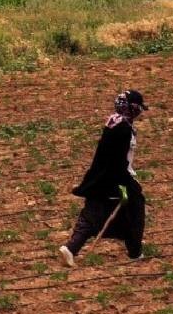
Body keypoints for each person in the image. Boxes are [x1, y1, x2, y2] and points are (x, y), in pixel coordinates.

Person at [59, 89, 147, 267]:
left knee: (93, 213)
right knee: (135, 211)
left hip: (99, 178)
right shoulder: (123, 129)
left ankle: (71, 248)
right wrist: (124, 186)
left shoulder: (114, 122)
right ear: (131, 108)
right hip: (114, 179)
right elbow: (119, 160)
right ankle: (135, 252)